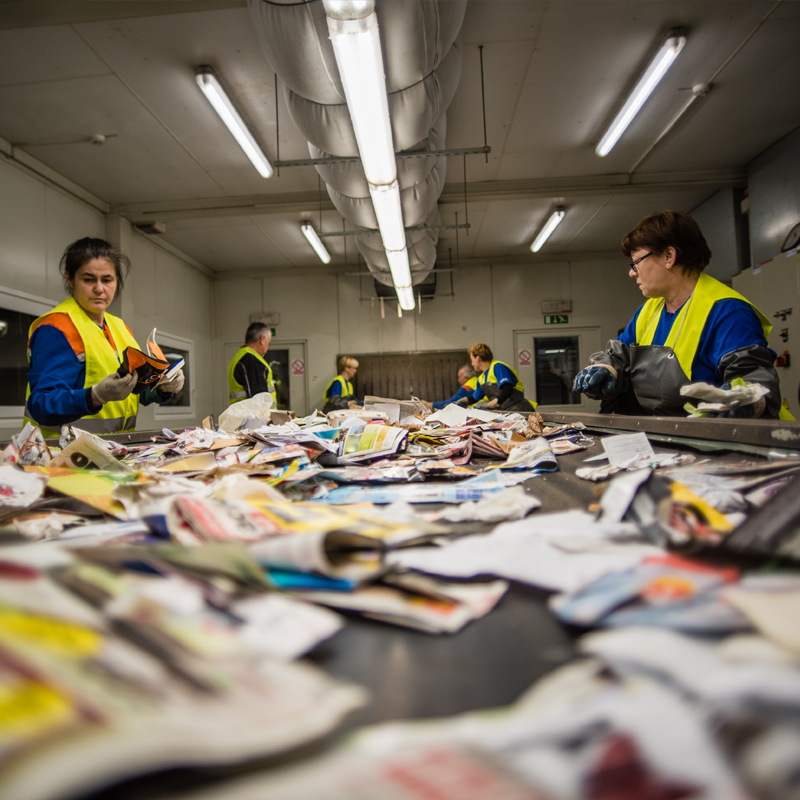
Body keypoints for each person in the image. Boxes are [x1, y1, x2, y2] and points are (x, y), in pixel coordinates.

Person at [572, 210, 789, 419]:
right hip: (685, 439)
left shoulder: (727, 312)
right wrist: (605, 368)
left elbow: (756, 384)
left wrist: (740, 402)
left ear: (668, 256)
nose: (632, 272)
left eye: (636, 262)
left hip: (745, 446)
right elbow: (619, 357)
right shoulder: (649, 311)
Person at [24, 237, 184, 436]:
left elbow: (132, 392)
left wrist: (162, 387)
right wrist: (95, 396)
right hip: (62, 458)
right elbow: (41, 405)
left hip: (112, 452)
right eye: (88, 279)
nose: (99, 289)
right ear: (69, 279)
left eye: (107, 280)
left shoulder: (120, 328)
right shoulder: (56, 328)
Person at [467, 343, 536, 412]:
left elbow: (508, 389)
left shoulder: (498, 367)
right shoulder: (481, 379)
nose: (472, 364)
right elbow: (474, 398)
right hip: (507, 412)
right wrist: (461, 402)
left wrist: (491, 404)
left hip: (520, 409)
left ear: (478, 358)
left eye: (472, 359)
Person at [227, 323, 277, 407]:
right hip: (252, 419)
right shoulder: (252, 360)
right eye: (268, 343)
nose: (267, 348)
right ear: (262, 339)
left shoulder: (240, 356)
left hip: (242, 416)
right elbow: (258, 400)